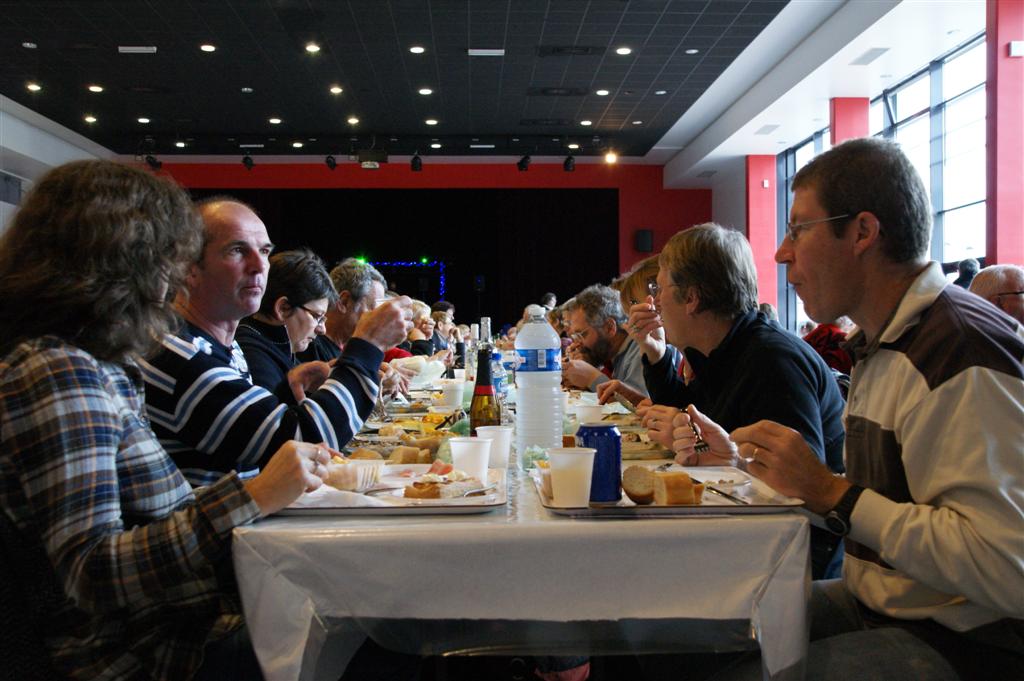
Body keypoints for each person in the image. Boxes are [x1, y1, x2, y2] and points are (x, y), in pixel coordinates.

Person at [0, 160, 330, 681]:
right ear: (121, 259)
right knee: (381, 637)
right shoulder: (59, 369)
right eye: (167, 256)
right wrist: (253, 496)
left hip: (185, 624)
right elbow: (91, 573)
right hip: (152, 653)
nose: (175, 276)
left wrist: (255, 491)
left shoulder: (100, 364)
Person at [723, 137, 1023, 680]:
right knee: (705, 631)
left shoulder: (959, 351)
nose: (780, 253)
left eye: (797, 229)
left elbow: (1008, 567)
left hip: (970, 641)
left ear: (862, 232)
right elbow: (885, 501)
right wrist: (760, 469)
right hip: (886, 604)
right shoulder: (888, 342)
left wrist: (831, 492)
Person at [139, 197, 413, 487]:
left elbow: (256, 437)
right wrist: (367, 346)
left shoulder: (223, 347)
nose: (259, 265)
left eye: (264, 251)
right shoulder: (180, 355)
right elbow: (298, 441)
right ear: (188, 267)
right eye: (237, 250)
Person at [629, 224, 846, 579]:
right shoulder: (726, 349)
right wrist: (656, 355)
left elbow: (797, 489)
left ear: (691, 298)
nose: (653, 302)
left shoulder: (772, 361)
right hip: (749, 531)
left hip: (793, 563)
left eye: (660, 288)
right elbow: (687, 415)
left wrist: (708, 446)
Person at [296, 257, 412, 396]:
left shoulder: (341, 348)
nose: (378, 318)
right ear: (344, 302)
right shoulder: (308, 347)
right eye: (373, 309)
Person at [235, 249, 336, 403]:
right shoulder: (254, 356)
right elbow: (281, 424)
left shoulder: (274, 346)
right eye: (317, 316)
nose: (322, 329)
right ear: (283, 308)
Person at [561, 284, 648, 398]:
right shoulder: (613, 354)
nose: (577, 344)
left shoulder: (641, 349)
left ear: (609, 327)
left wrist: (591, 377)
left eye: (582, 334)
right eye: (575, 336)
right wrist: (586, 369)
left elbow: (641, 407)